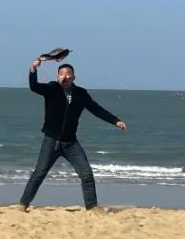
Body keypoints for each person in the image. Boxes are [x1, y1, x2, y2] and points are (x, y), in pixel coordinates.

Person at [19, 59, 127, 211]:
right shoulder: (51, 88)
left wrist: (115, 121)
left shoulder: (81, 94)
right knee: (39, 173)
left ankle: (92, 206)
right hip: (51, 141)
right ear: (58, 77)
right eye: (61, 74)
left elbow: (96, 109)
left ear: (73, 77)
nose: (64, 76)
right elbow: (34, 86)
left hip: (71, 143)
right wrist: (33, 69)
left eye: (68, 74)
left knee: (87, 174)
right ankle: (23, 204)